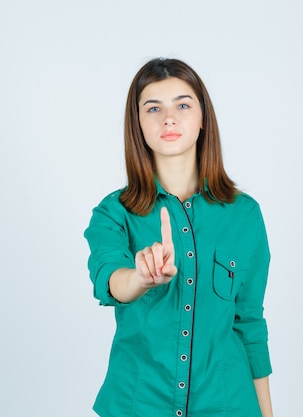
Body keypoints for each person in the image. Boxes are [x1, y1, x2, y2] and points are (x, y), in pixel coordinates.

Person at [84, 58, 274, 417]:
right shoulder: (113, 213)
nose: (168, 118)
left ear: (203, 119)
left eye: (183, 105)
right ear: (137, 124)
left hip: (227, 403)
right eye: (153, 108)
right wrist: (140, 278)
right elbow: (111, 279)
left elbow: (249, 323)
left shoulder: (244, 214)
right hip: (137, 404)